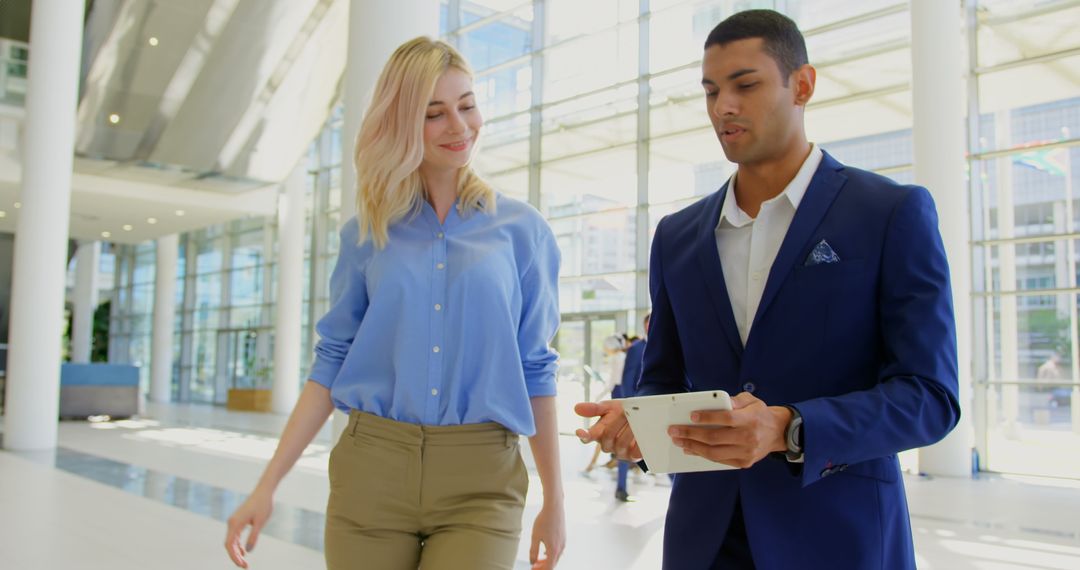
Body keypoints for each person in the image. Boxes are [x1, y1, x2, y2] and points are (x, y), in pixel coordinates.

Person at [575, 9, 959, 569]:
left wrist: (789, 427)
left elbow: (930, 396)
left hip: (839, 538)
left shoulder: (889, 213)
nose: (722, 107)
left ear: (802, 85)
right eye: (711, 91)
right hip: (704, 542)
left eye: (745, 85)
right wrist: (638, 425)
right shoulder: (677, 236)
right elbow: (665, 377)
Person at [224, 37, 565, 570]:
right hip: (371, 472)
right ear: (404, 122)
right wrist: (267, 485)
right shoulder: (367, 233)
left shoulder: (523, 231)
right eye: (435, 113)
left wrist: (555, 501)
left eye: (467, 105)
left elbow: (536, 368)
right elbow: (331, 360)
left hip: (483, 478)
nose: (459, 126)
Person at [613, 313, 650, 501]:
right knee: (627, 445)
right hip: (638, 407)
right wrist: (632, 408)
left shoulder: (669, 346)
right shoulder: (637, 349)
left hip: (658, 406)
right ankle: (621, 487)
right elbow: (628, 379)